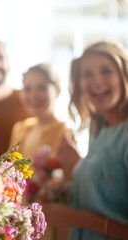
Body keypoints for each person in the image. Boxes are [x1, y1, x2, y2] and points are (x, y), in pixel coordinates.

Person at [44, 41, 128, 240]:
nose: (96, 82)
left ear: (124, 74)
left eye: (106, 71)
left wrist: (79, 218)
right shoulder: (99, 125)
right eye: (87, 74)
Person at [10, 63, 74, 240]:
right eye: (28, 89)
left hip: (49, 225)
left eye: (41, 88)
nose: (33, 96)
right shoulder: (20, 129)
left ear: (58, 90)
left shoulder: (66, 132)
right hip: (19, 221)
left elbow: (69, 185)